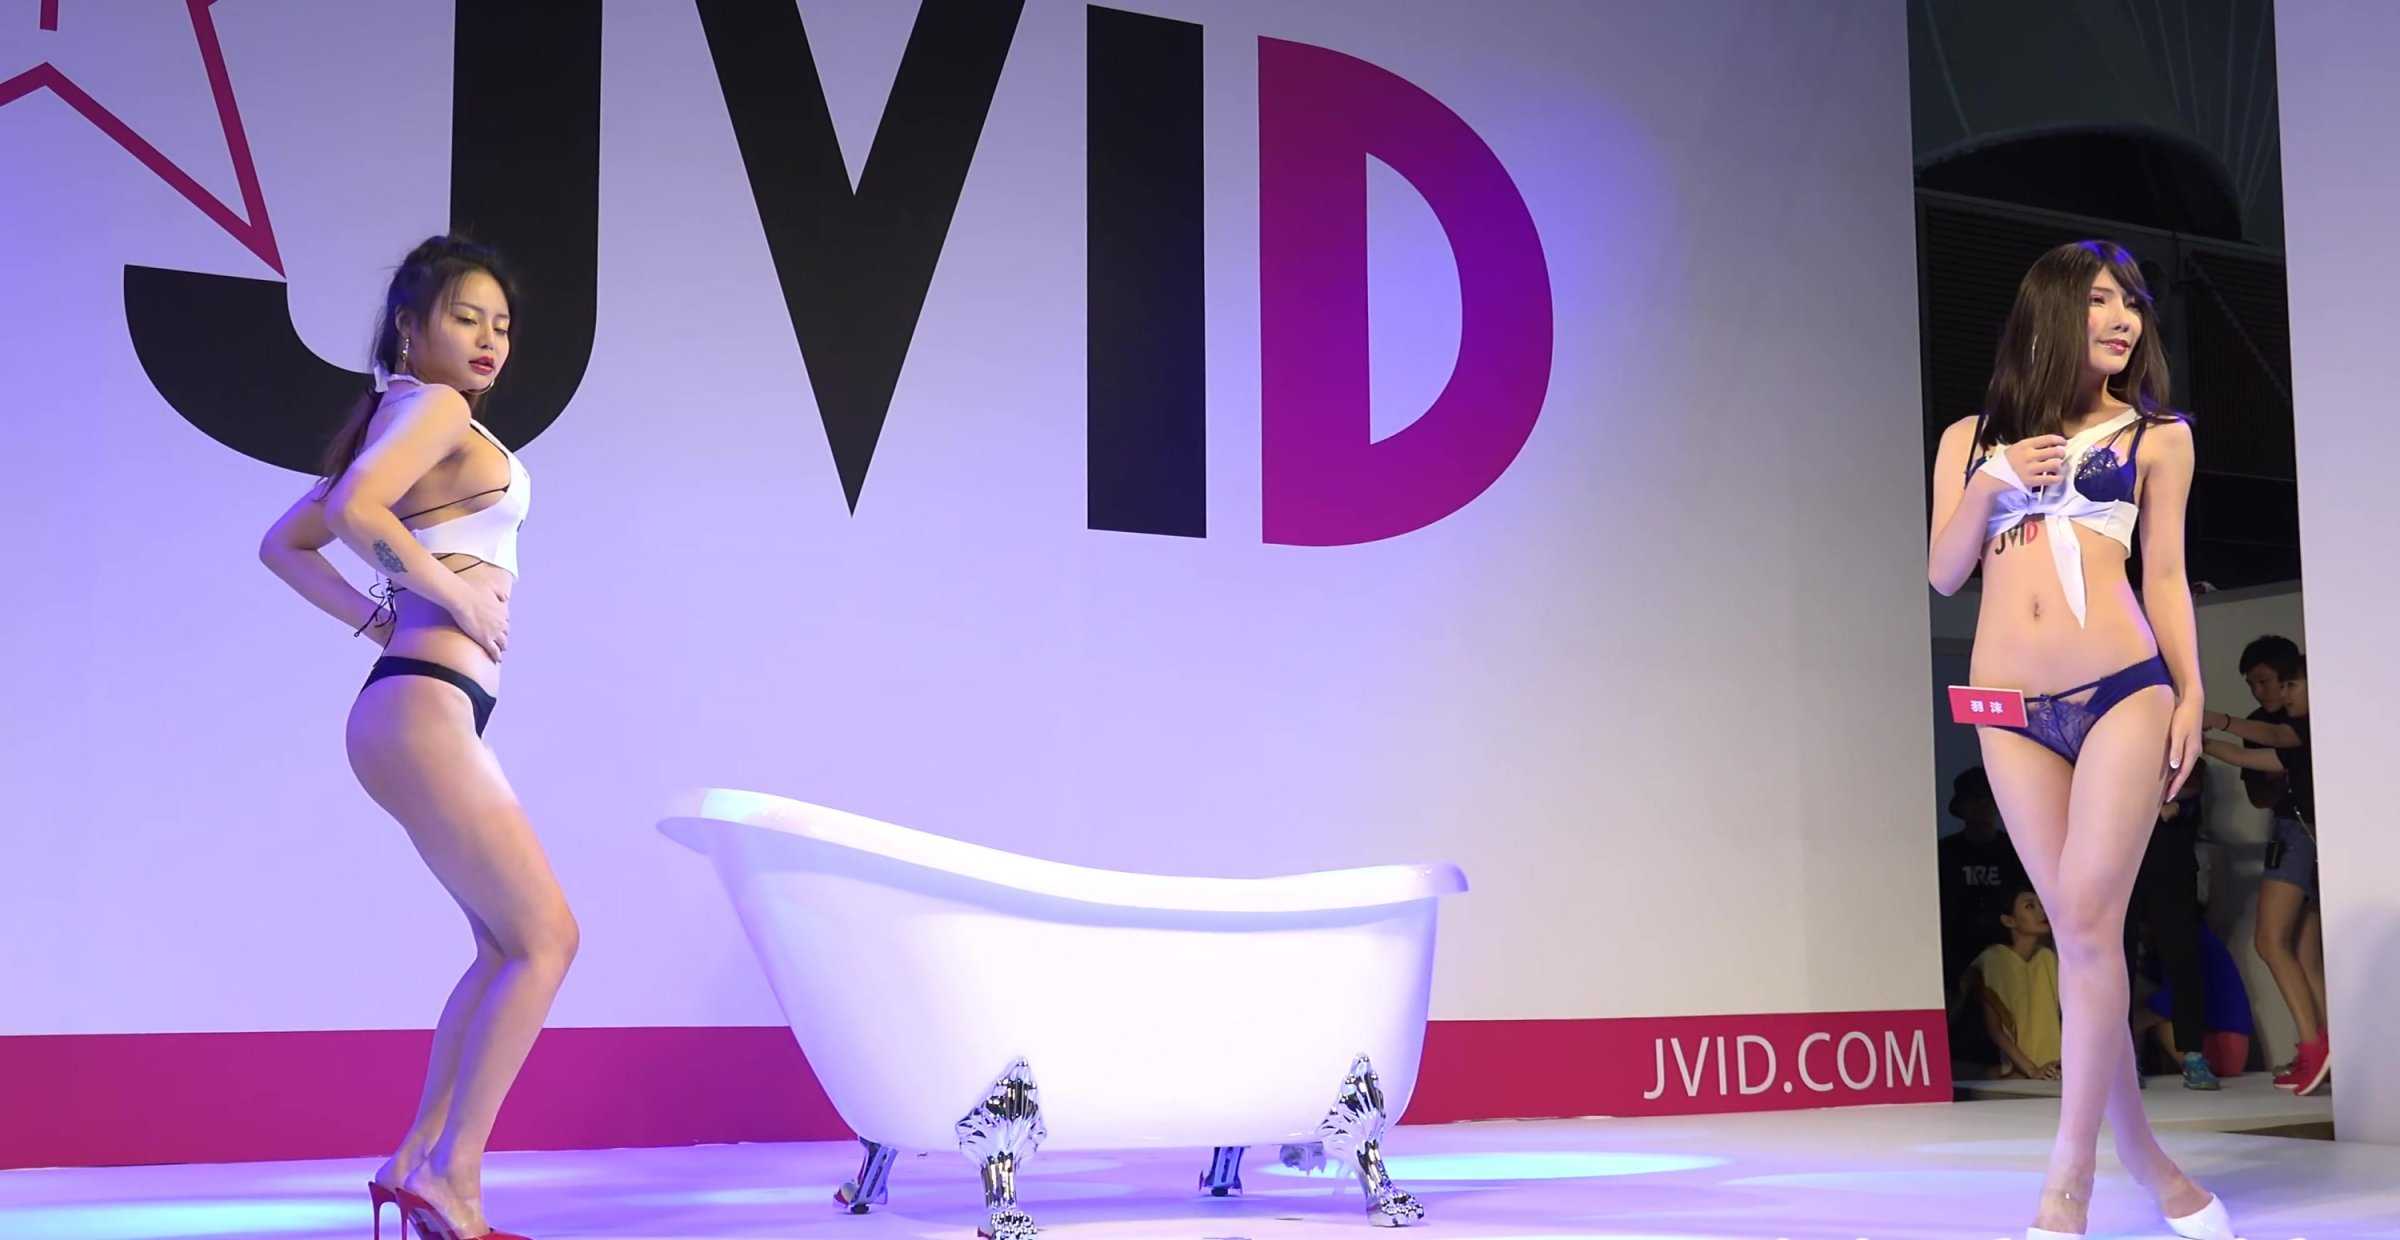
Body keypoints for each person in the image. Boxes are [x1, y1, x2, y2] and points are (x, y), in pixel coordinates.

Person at [258, 236, 570, 1240]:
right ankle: (453, 1179)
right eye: (466, 317)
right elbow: (353, 513)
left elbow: (285, 544)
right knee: (547, 941)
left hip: (415, 702)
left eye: (502, 325)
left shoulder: (400, 416)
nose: (490, 340)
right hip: (424, 705)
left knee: (503, 946)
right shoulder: (434, 409)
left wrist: (380, 617)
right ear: (409, 325)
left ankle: (414, 1161)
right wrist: (447, 597)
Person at [1927, 239, 2232, 1239]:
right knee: (2078, 934)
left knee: (2093, 919)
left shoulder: (2156, 436)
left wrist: (2191, 692)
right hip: (2010, 711)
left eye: (2133, 302)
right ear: (2053, 310)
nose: (2124, 318)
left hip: (2123, 693)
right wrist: (1992, 482)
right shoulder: (1971, 439)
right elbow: (1944, 572)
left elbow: (2165, 577)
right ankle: (2149, 1162)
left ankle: (2070, 1179)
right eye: (2102, 299)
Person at [2201, 655, 2327, 1095]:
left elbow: (2272, 738)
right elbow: (2254, 757)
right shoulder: (2307, 734)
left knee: (2269, 942)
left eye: (2288, 684)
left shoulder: (2306, 726)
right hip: (2310, 841)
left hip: (2298, 840)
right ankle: (2328, 1048)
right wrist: (2201, 741)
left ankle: (2315, 1049)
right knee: (2303, 954)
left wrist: (2216, 720)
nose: (2280, 694)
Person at [2127, 756, 2216, 1089]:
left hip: (2172, 867)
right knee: (2118, 961)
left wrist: (2162, 803)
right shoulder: (2114, 749)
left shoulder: (2181, 749)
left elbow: (2190, 787)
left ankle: (2193, 1054)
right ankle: (2123, 1058)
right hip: (2124, 866)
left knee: (2183, 959)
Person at [1939, 767, 2029, 1073]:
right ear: (1961, 807)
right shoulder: (1945, 854)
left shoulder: (2014, 851)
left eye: (1989, 799)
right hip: (1954, 956)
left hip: (2007, 957)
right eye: (1976, 799)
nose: (1983, 806)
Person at [1966, 888, 2064, 1082]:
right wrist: (2032, 1069)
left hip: (2055, 1068)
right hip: (2016, 1072)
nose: (2041, 911)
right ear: (2009, 920)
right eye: (2030, 906)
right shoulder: (1993, 960)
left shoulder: (2048, 958)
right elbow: (1995, 1030)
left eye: (2041, 904)